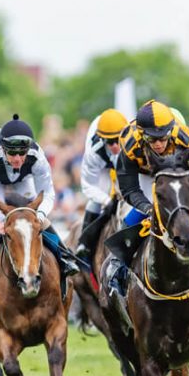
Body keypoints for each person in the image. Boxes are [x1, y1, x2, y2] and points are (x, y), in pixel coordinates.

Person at [107, 100, 189, 297]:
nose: (158, 144)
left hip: (180, 176)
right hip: (147, 175)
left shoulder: (185, 140)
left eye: (162, 138)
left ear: (171, 130)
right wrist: (148, 208)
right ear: (141, 133)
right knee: (132, 217)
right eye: (152, 139)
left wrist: (187, 203)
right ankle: (117, 265)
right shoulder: (129, 144)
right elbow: (129, 189)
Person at [0, 114, 81, 289]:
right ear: (3, 149)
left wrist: (41, 215)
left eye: (22, 153)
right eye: (12, 153)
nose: (18, 159)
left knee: (34, 218)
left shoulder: (37, 156)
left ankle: (64, 256)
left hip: (23, 179)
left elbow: (47, 193)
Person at [76, 108, 129, 262]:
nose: (114, 146)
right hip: (104, 169)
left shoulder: (134, 140)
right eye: (109, 142)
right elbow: (88, 185)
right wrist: (106, 200)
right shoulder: (94, 152)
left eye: (117, 140)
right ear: (102, 140)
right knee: (96, 202)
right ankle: (84, 243)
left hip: (124, 165)